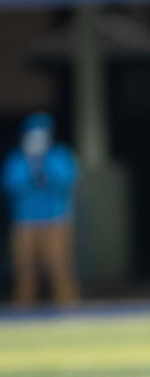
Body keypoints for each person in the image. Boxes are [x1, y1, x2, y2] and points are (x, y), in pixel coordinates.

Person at [2, 112, 80, 306]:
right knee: (24, 269)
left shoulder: (59, 155)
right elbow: (10, 185)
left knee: (58, 267)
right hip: (25, 222)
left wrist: (44, 164)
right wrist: (30, 165)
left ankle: (70, 311)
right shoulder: (17, 159)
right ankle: (23, 313)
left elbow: (67, 180)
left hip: (56, 219)